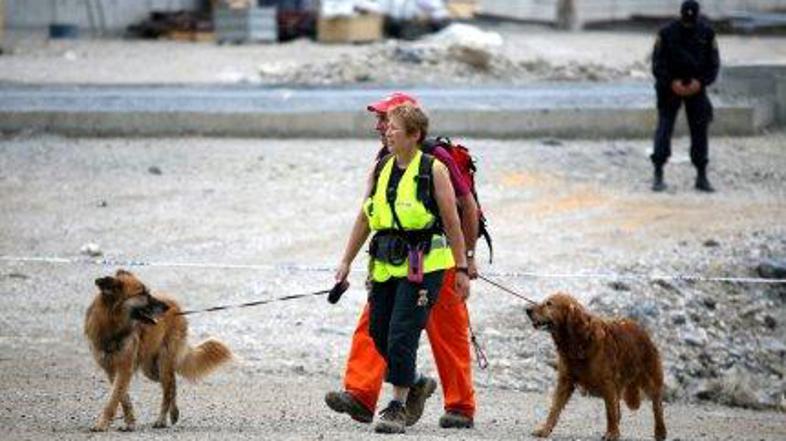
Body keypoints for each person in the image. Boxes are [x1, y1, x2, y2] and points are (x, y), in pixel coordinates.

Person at [326, 93, 479, 430]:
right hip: (393, 264)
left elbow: (465, 207)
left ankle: (459, 405)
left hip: (438, 262)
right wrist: (347, 261)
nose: (379, 126)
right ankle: (363, 396)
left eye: (385, 120)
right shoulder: (384, 161)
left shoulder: (436, 159)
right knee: (378, 327)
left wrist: (466, 260)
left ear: (410, 128)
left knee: (447, 333)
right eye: (381, 121)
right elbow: (367, 215)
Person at [651, 0, 720, 192]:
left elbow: (713, 64)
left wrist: (700, 83)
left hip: (696, 87)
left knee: (700, 130)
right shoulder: (666, 33)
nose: (688, 23)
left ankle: (701, 175)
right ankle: (658, 172)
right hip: (669, 88)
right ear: (681, 15)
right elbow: (657, 63)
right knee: (664, 128)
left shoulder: (707, 34)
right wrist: (672, 83)